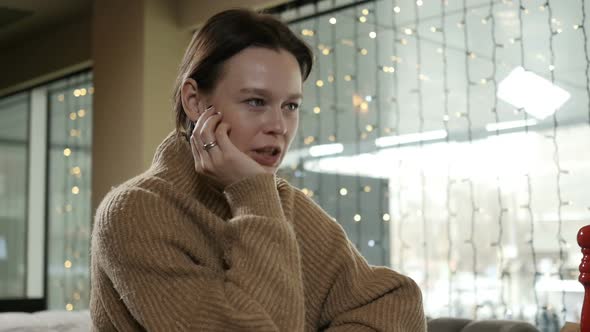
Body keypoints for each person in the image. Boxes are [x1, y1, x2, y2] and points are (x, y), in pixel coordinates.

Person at [90, 8, 426, 331]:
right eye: (256, 102)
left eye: (290, 105)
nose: (279, 126)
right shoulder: (132, 213)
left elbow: (397, 301)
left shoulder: (278, 200)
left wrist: (254, 193)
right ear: (194, 102)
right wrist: (252, 193)